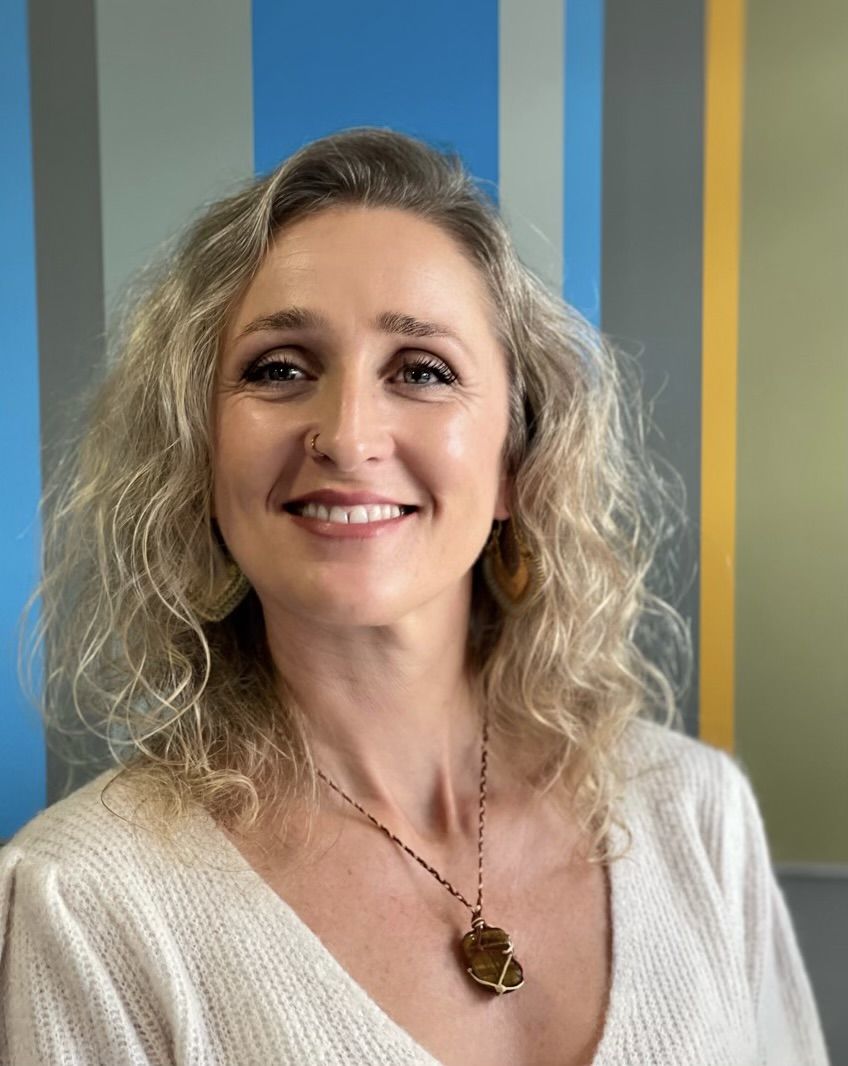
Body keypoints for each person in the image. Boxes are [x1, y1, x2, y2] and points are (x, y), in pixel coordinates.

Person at [0, 128, 829, 1066]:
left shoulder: (694, 810)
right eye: (279, 368)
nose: (349, 435)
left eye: (422, 371)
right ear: (199, 457)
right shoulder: (84, 902)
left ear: (516, 460)